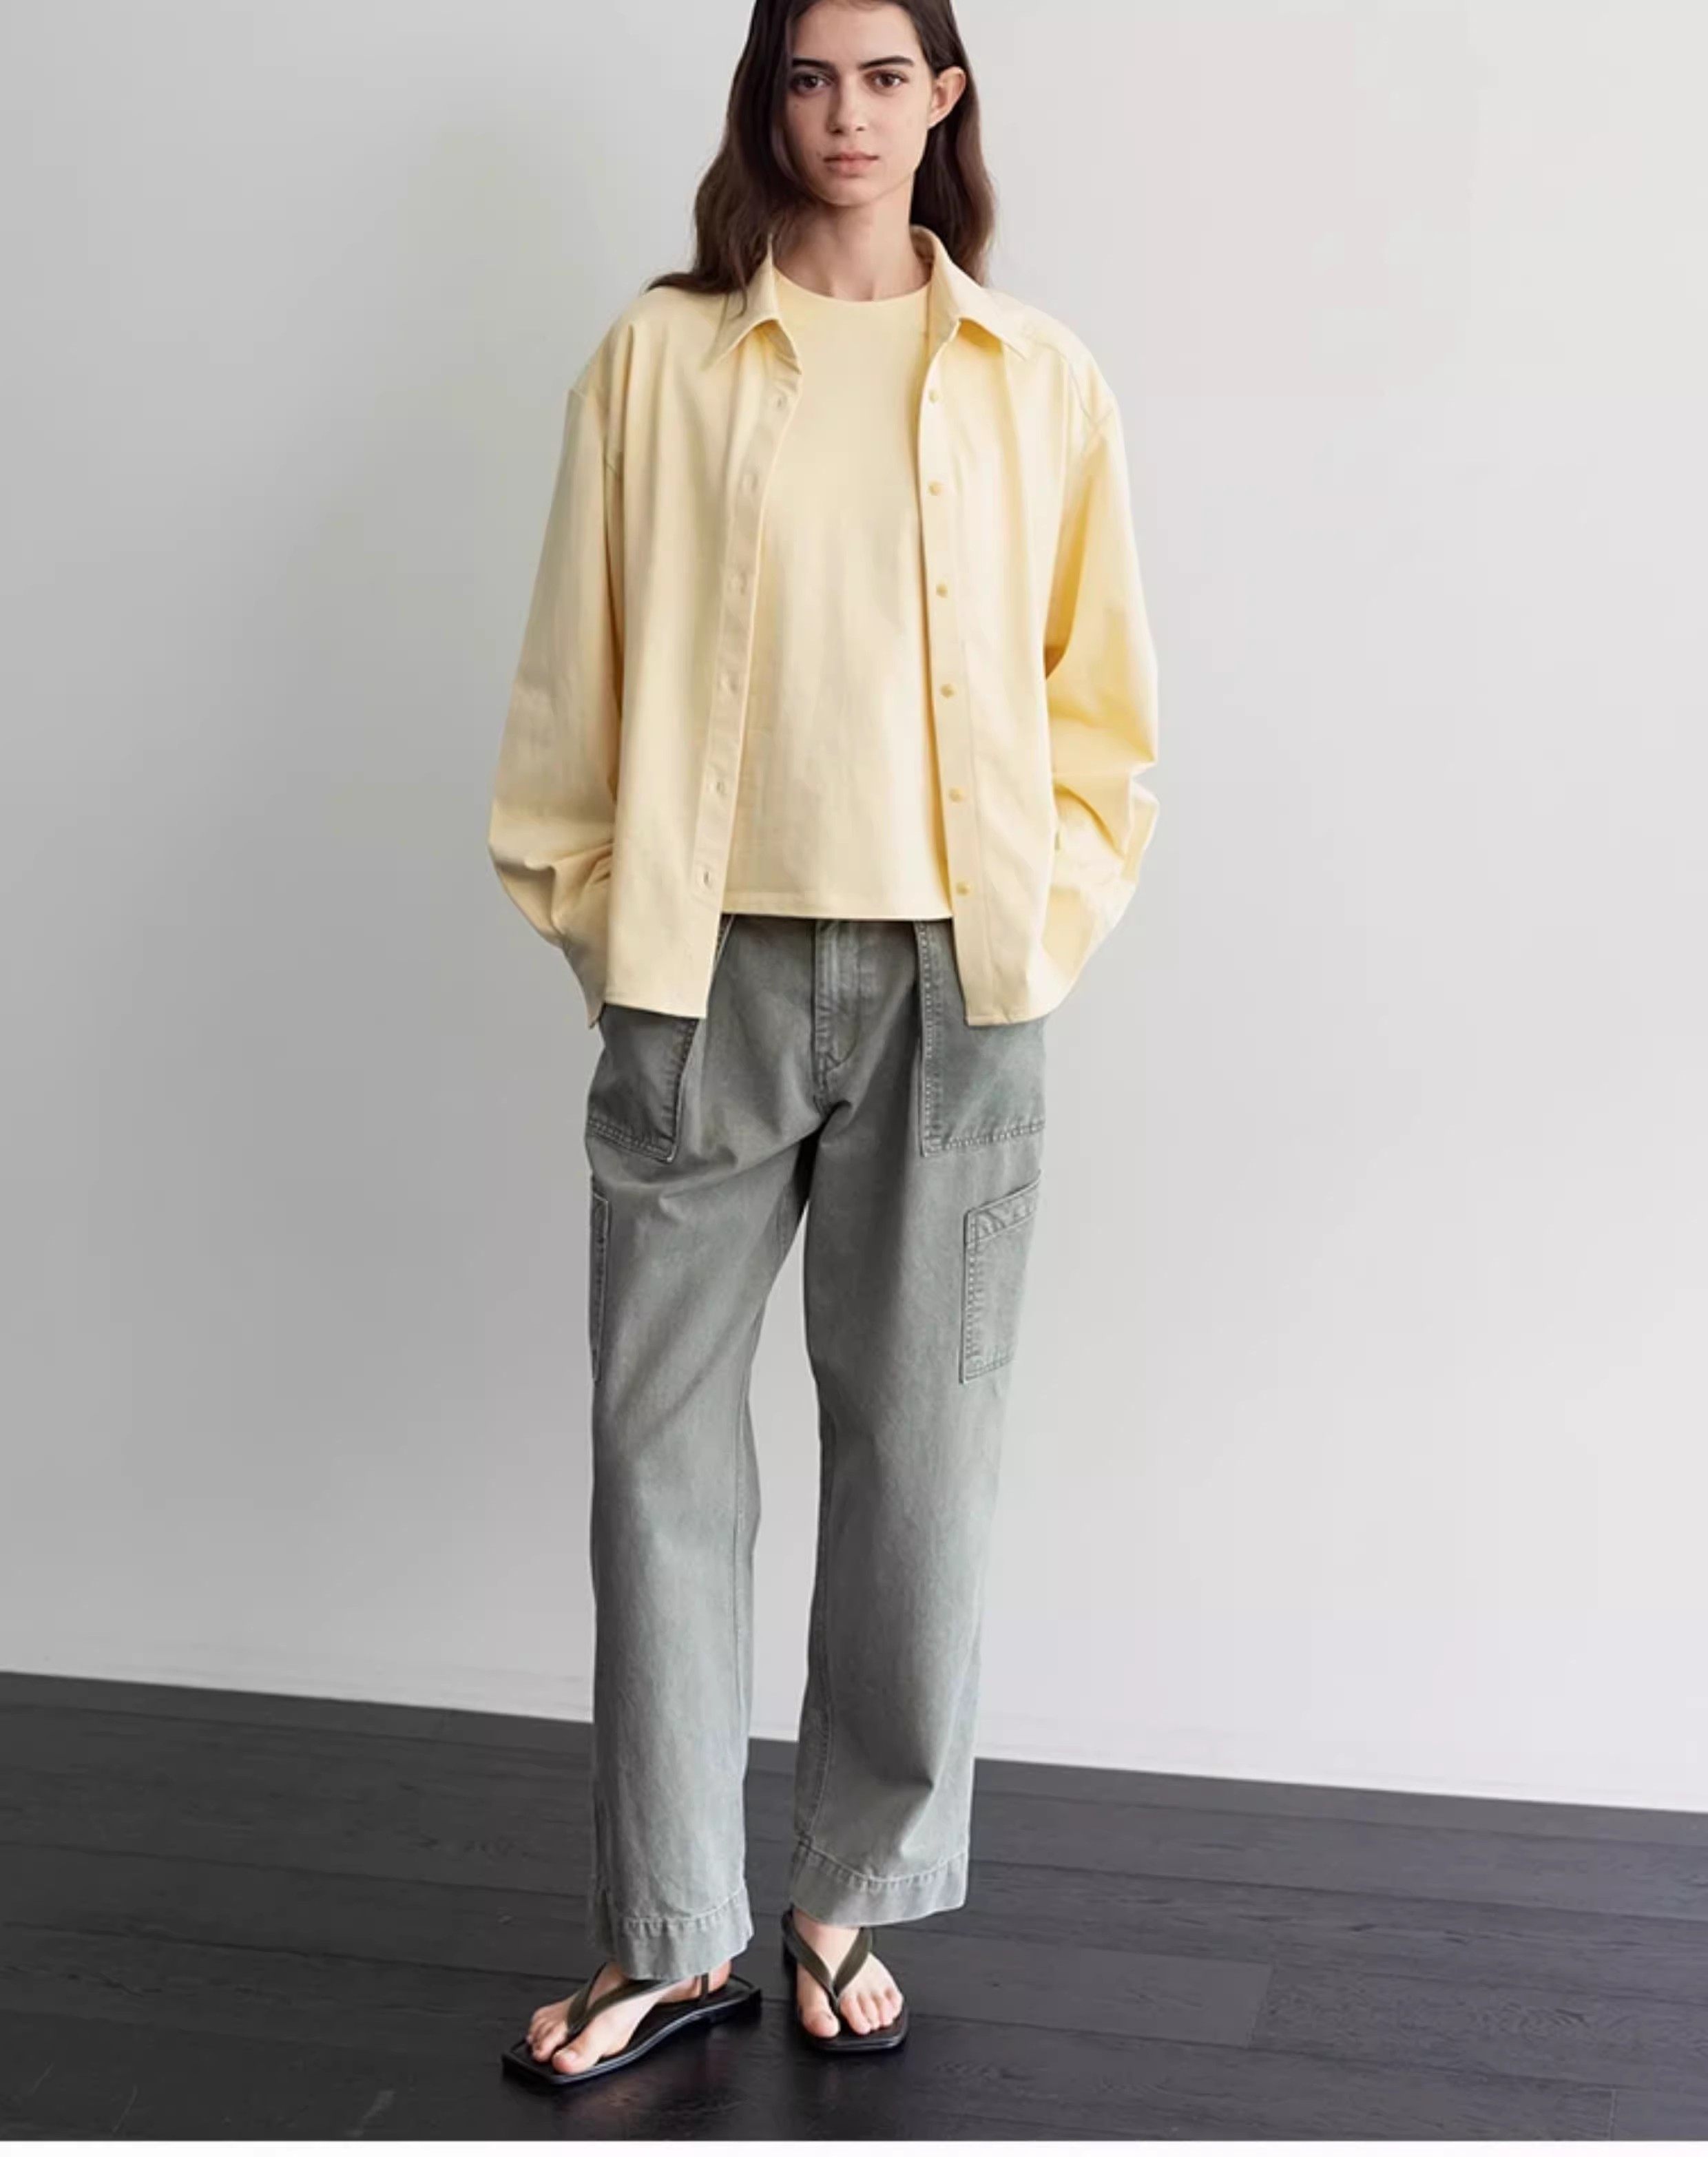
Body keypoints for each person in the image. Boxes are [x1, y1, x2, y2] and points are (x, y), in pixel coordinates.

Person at [490, 0, 1159, 2089]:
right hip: (701, 979)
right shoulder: (661, 360)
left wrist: (1036, 921)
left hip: (958, 988)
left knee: (921, 1462)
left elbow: (1104, 718)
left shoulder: (1038, 377)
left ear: (944, 98)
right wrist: (607, 925)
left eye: (886, 75)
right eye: (809, 74)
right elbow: (571, 674)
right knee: (658, 1457)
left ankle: (846, 1888)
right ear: (765, 100)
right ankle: (671, 1929)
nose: (847, 114)